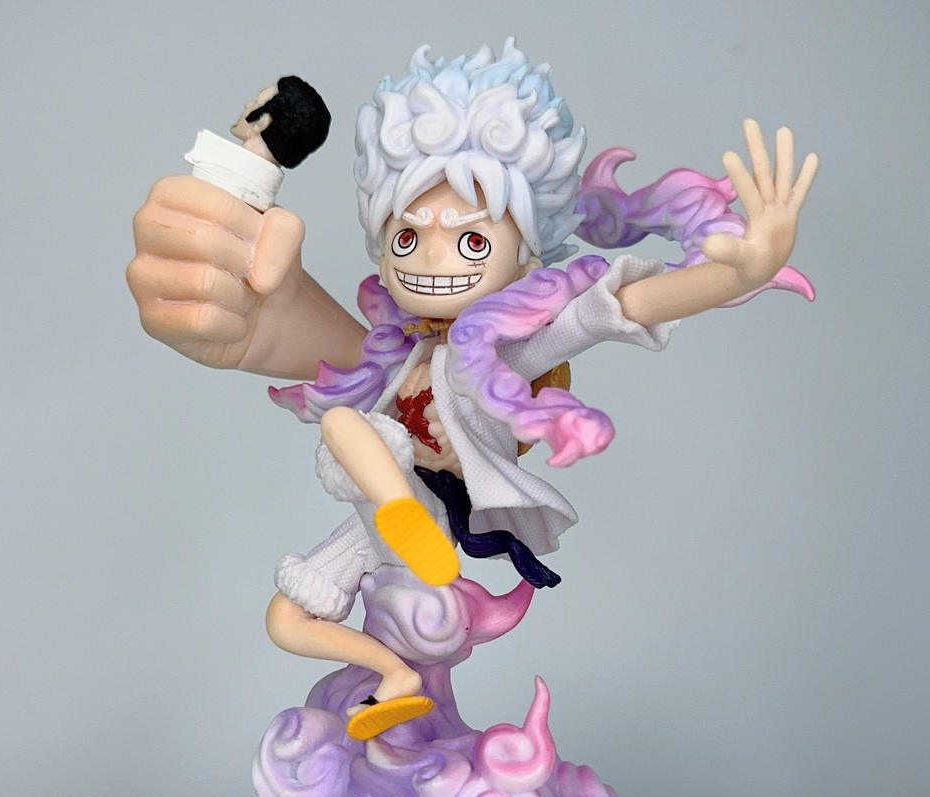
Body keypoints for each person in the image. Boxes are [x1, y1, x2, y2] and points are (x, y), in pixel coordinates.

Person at [127, 39, 817, 739]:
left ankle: (404, 515)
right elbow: (319, 344)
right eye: (406, 238)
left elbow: (619, 307)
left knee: (346, 428)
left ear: (527, 257)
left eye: (473, 242)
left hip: (424, 497)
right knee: (286, 617)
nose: (431, 260)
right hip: (386, 506)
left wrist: (734, 274)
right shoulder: (401, 349)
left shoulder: (510, 348)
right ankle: (394, 680)